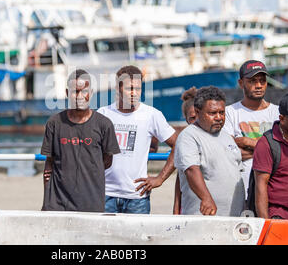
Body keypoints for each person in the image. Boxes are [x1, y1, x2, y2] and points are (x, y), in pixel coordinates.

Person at [97, 65, 177, 214]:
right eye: (129, 89)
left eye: (138, 89)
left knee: (137, 238)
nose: (134, 93)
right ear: (118, 88)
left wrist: (160, 178)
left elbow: (178, 145)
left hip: (137, 197)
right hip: (104, 194)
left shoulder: (152, 115)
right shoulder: (103, 114)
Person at [41, 69, 120, 212]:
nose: (79, 96)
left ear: (91, 92)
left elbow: (107, 161)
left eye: (84, 91)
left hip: (91, 204)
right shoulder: (54, 123)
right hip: (58, 205)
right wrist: (46, 203)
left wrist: (88, 171)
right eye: (75, 91)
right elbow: (49, 164)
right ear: (67, 93)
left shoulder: (104, 124)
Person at [174, 86, 245, 216]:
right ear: (197, 112)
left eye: (222, 112)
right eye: (212, 113)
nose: (219, 117)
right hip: (205, 217)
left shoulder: (226, 137)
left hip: (233, 217)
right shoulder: (188, 136)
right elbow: (191, 170)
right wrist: (206, 198)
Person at [223, 60, 279, 200]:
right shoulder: (230, 112)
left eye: (262, 81)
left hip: (272, 191)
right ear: (241, 83)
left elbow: (282, 153)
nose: (259, 85)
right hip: (239, 191)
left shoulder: (278, 113)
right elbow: (227, 153)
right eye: (253, 81)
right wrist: (267, 151)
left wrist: (245, 141)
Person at [173, 86, 197, 214]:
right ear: (186, 118)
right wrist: (176, 212)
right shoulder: (184, 142)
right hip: (189, 207)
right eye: (192, 118)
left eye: (199, 116)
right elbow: (179, 182)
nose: (196, 122)